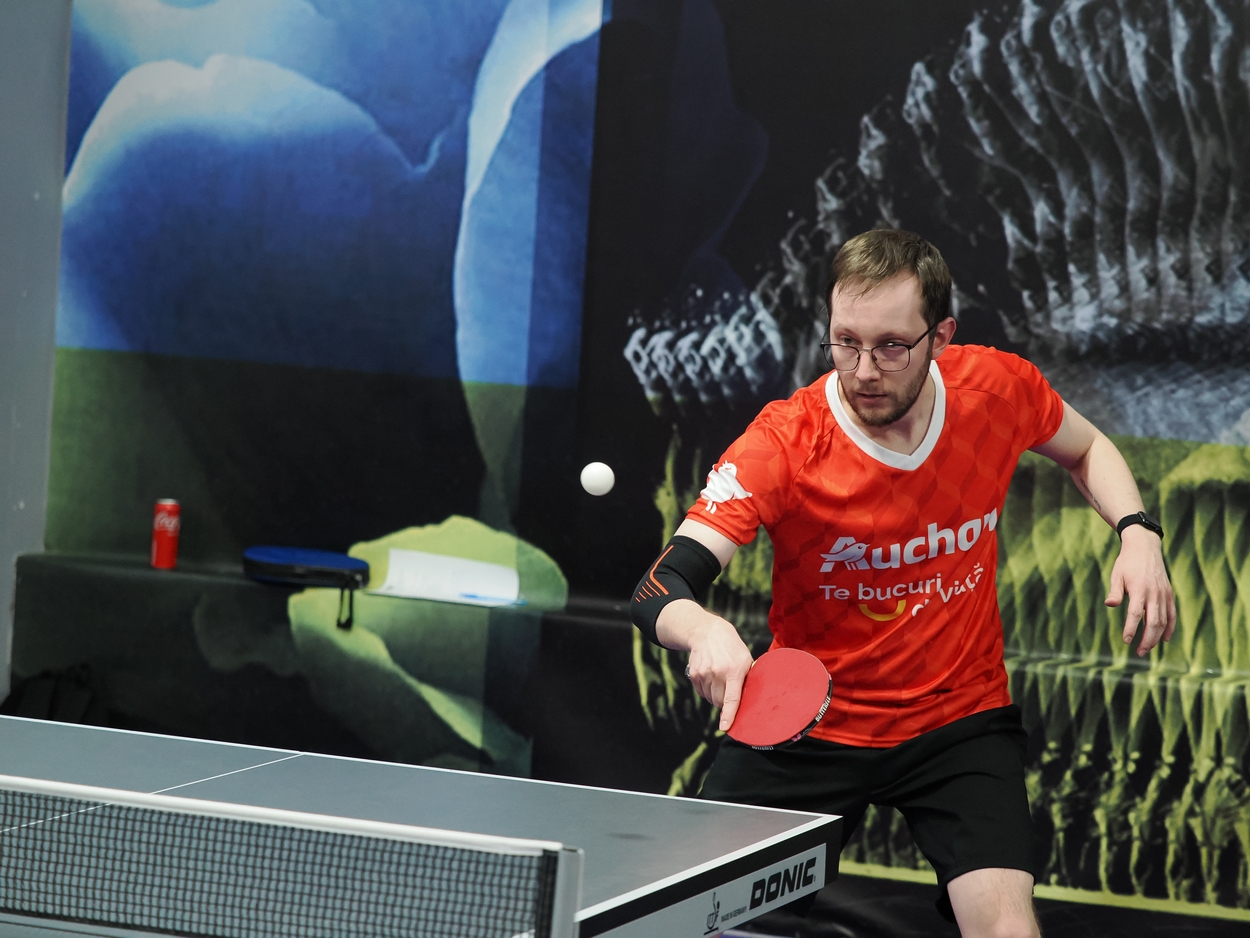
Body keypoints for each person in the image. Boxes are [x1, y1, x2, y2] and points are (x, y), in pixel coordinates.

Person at [630, 229, 1175, 938]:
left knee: (1006, 929)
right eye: (845, 342)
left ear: (940, 336)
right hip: (809, 725)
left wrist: (1137, 531)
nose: (863, 370)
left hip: (957, 721)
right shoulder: (784, 444)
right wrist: (703, 628)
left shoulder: (996, 390)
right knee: (703, 925)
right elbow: (659, 587)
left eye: (891, 346)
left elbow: (1088, 446)